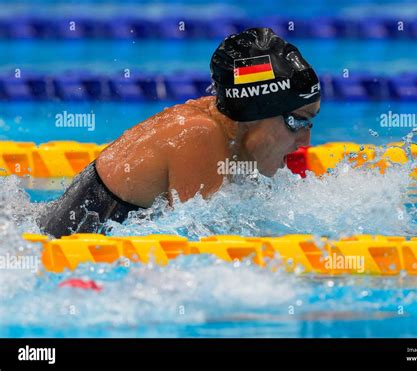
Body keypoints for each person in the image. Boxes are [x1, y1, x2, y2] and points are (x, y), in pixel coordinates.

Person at [39, 27, 321, 238]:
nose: (305, 141)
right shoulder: (199, 135)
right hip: (60, 257)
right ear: (255, 113)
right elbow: (205, 252)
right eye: (296, 122)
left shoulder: (230, 129)